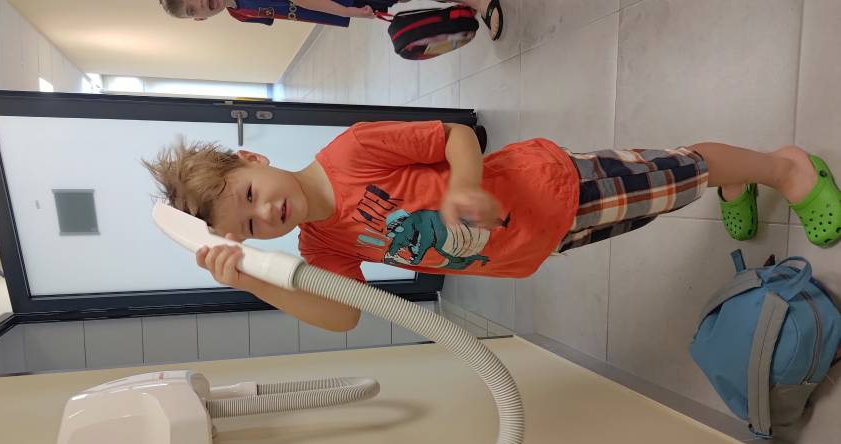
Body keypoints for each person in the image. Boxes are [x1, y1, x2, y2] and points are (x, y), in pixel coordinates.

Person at [144, 121, 841, 332]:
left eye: (251, 195)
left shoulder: (352, 152)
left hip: (552, 188)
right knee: (662, 201)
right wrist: (256, 283)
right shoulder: (319, 244)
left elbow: (455, 135)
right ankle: (736, 180)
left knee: (683, 170)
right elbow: (343, 316)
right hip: (536, 241)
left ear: (254, 159)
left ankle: (783, 168)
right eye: (249, 227)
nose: (266, 214)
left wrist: (464, 186)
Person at [157, 0, 504, 40]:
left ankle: (478, 2)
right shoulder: (240, 13)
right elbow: (291, 13)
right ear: (199, 20)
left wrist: (347, 11)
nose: (201, 4)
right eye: (193, 10)